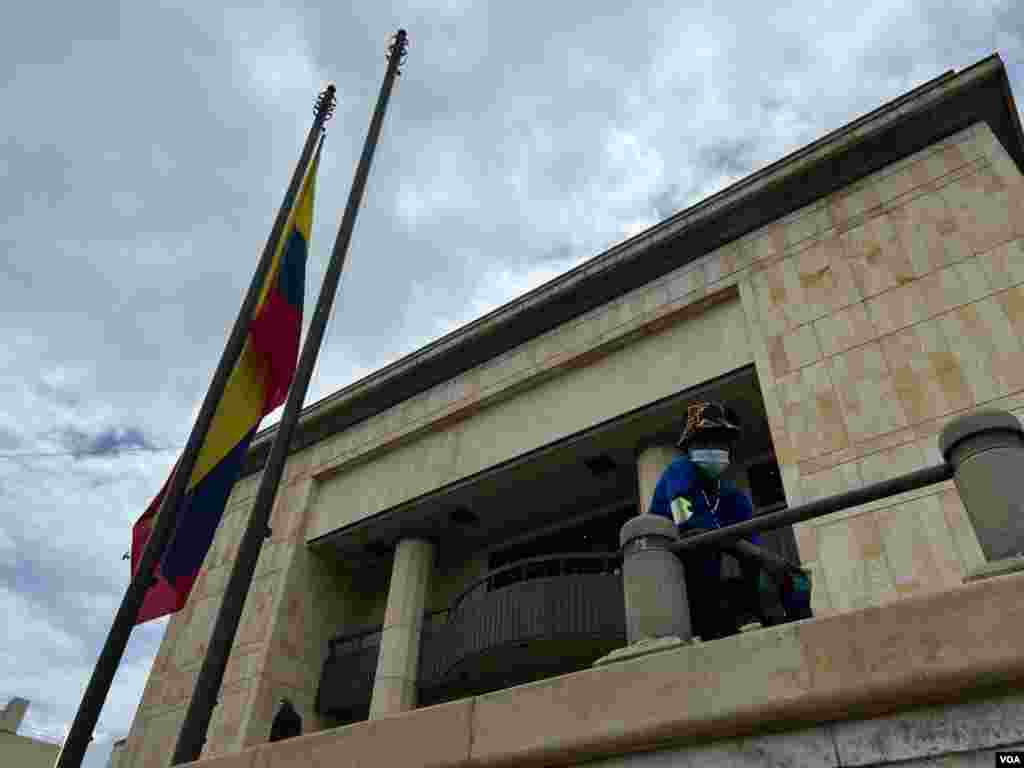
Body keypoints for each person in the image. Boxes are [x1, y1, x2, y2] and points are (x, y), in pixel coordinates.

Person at [647, 401, 784, 640]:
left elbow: (753, 546)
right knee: (703, 549)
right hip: (668, 580)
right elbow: (688, 525)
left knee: (768, 574)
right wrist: (756, 554)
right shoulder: (679, 472)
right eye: (703, 440)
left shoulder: (732, 496)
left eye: (719, 439)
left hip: (710, 582)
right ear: (689, 447)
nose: (713, 446)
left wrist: (772, 572)